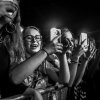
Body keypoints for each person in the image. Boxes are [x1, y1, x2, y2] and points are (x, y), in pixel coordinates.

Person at [0, 0, 43, 99]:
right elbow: (14, 79)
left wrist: (31, 91)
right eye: (7, 1)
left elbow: (5, 82)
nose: (12, 7)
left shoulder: (7, 42)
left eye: (15, 5)